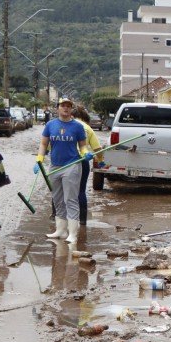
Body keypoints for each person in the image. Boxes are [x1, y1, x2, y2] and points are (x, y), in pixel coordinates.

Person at [35, 97, 92, 246]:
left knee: (71, 199)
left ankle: (73, 233)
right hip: (55, 166)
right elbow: (43, 143)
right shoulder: (50, 125)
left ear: (71, 109)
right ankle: (60, 230)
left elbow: (83, 145)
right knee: (57, 199)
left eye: (68, 106)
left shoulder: (77, 127)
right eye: (63, 106)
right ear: (58, 108)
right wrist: (39, 159)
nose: (65, 108)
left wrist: (86, 153)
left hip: (72, 165)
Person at [72, 105, 103, 225]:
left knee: (61, 190)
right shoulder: (88, 128)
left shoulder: (66, 125)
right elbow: (98, 149)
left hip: (66, 162)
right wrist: (101, 161)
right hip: (83, 161)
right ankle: (83, 221)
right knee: (81, 191)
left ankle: (56, 217)